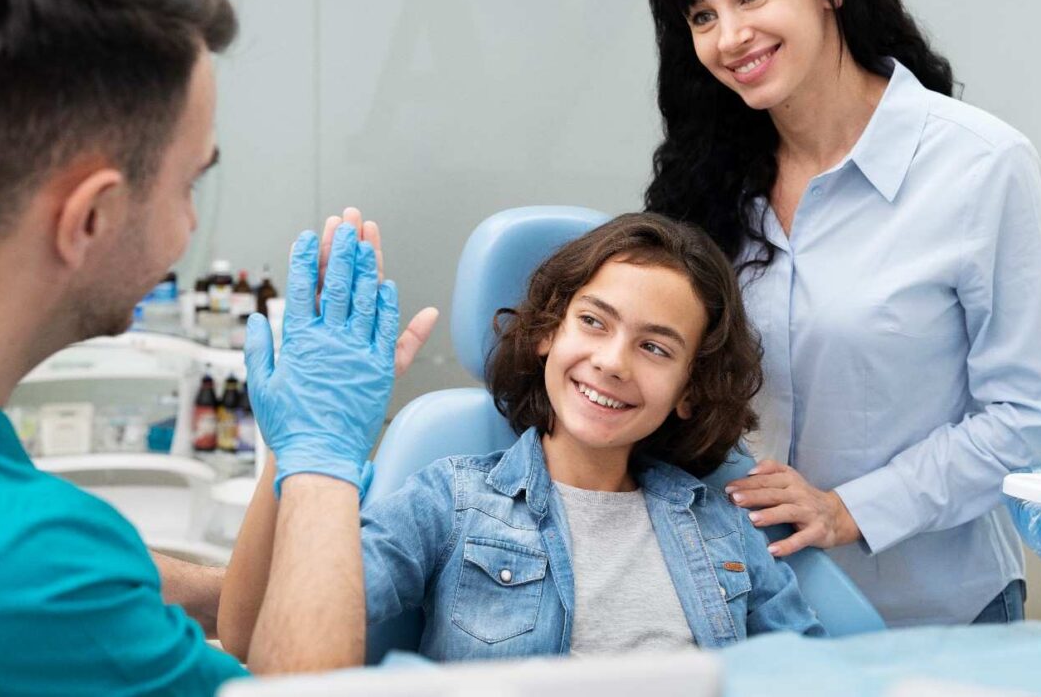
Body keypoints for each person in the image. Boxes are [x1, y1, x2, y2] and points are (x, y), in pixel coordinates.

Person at [0, 0, 435, 693]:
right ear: (91, 217)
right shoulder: (15, 568)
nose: (191, 224)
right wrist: (324, 463)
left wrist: (277, 472)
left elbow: (150, 596)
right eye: (188, 183)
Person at [642, 0, 1041, 627]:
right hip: (748, 610)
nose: (727, 36)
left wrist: (851, 509)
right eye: (701, 15)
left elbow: (1030, 413)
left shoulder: (981, 163)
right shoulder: (707, 184)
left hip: (934, 615)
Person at [220, 213, 825, 662]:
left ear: (690, 389)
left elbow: (815, 677)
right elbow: (256, 639)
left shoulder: (721, 524)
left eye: (655, 347)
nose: (614, 361)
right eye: (593, 321)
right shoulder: (452, 502)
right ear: (546, 333)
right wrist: (301, 443)